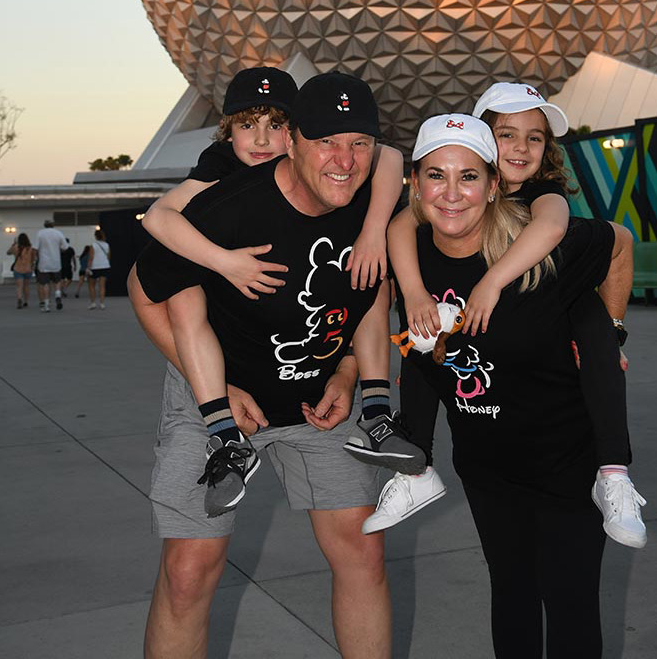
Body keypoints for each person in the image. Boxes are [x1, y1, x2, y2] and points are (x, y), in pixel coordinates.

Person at [141, 72, 395, 659]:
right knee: (189, 568)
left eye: (355, 143)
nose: (343, 159)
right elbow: (145, 288)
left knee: (363, 548)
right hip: (215, 393)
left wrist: (350, 371)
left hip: (316, 391)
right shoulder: (218, 202)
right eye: (326, 142)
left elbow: (369, 292)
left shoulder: (363, 193)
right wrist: (217, 389)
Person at [374, 115, 631, 657]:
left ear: (494, 186)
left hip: (564, 460)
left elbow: (619, 244)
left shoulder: (543, 248)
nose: (451, 194)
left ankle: (616, 475)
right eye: (436, 176)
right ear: (415, 186)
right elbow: (421, 360)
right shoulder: (413, 255)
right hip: (488, 467)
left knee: (569, 602)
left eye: (468, 177)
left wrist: (610, 333)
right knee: (511, 594)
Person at [129, 67, 418, 517]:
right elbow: (157, 222)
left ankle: (377, 411)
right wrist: (223, 261)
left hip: (309, 383)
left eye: (277, 124)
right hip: (214, 349)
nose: (262, 140)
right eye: (248, 125)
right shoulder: (217, 178)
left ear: (292, 135)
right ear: (228, 134)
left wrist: (374, 231)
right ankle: (222, 434)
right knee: (185, 290)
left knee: (372, 277)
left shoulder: (343, 181)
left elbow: (392, 158)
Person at [35, 220, 68, 312]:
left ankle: (46, 305)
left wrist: (34, 260)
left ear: (44, 225)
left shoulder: (40, 233)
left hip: (44, 263)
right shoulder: (58, 233)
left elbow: (35, 248)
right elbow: (65, 247)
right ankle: (57, 295)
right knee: (57, 282)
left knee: (45, 284)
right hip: (56, 263)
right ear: (53, 225)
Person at [8, 234, 36, 308]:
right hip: (28, 269)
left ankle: (19, 299)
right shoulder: (30, 248)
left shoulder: (16, 247)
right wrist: (32, 266)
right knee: (26, 286)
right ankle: (26, 301)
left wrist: (13, 245)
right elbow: (33, 259)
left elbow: (8, 252)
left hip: (18, 269)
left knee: (19, 287)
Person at [87, 229, 111, 309]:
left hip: (95, 267)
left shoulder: (93, 245)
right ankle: (102, 303)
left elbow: (91, 257)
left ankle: (93, 302)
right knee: (102, 286)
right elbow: (108, 257)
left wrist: (88, 268)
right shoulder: (106, 245)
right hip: (104, 266)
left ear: (95, 236)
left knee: (91, 286)